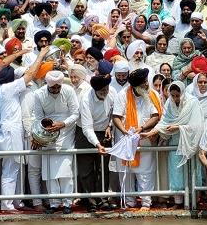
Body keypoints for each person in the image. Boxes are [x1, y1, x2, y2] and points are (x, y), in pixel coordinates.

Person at [0, 46, 48, 213]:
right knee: (10, 169)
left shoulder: (2, 88)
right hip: (10, 132)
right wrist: (40, 55)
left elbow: (1, 65)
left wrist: (18, 54)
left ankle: (16, 201)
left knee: (16, 168)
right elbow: (31, 74)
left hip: (12, 131)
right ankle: (7, 204)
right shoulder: (8, 88)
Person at [143, 80, 204, 208]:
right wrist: (152, 132)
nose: (175, 98)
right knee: (176, 172)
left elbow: (197, 125)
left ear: (182, 93)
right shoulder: (169, 103)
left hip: (190, 143)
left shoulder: (193, 102)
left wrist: (179, 127)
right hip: (175, 143)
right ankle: (178, 202)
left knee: (192, 171)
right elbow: (164, 122)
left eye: (178, 95)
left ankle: (194, 202)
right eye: (173, 95)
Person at [112, 68, 162, 210]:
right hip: (126, 140)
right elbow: (116, 116)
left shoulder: (153, 94)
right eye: (144, 83)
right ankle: (129, 202)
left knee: (145, 171)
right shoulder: (122, 95)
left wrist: (142, 128)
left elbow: (155, 115)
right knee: (127, 173)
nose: (147, 85)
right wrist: (125, 132)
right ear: (135, 87)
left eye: (147, 82)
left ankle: (146, 203)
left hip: (145, 139)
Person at [32, 70, 80, 214]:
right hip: (48, 132)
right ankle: (53, 203)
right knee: (49, 172)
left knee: (66, 170)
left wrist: (63, 124)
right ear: (47, 84)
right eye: (53, 87)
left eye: (58, 87)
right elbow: (38, 117)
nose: (56, 90)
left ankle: (67, 203)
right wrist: (41, 132)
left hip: (66, 131)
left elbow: (75, 113)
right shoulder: (39, 94)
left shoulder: (69, 91)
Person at [77, 74, 116, 212]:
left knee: (103, 168)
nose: (105, 93)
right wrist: (97, 144)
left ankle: (102, 198)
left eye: (106, 89)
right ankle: (90, 200)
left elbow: (114, 112)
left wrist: (109, 126)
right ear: (94, 90)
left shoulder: (112, 92)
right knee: (86, 169)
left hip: (104, 132)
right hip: (85, 132)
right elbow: (87, 127)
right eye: (101, 91)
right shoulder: (85, 98)